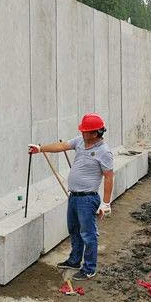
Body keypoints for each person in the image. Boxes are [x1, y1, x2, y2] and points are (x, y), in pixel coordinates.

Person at [28, 113, 114, 281]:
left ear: (96, 133)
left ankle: (89, 268)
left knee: (88, 234)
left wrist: (106, 203)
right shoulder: (81, 142)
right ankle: (74, 261)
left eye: (85, 131)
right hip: (74, 197)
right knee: (74, 230)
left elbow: (109, 177)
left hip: (88, 199)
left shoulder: (104, 152)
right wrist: (40, 149)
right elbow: (62, 146)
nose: (82, 133)